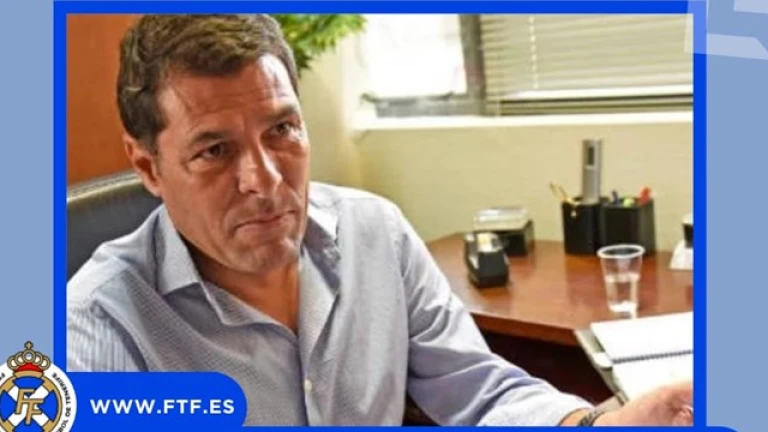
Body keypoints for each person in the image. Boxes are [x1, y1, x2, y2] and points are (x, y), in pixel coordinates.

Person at [67, 14, 693, 426]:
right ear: (148, 166)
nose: (264, 178)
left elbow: (479, 390)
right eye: (214, 150)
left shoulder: (376, 234)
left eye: (281, 129)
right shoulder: (98, 327)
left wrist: (599, 422)